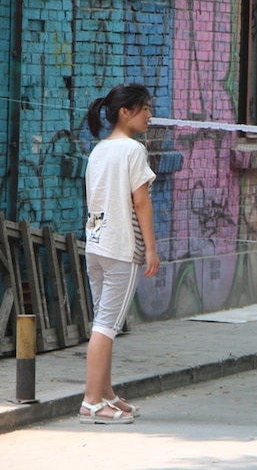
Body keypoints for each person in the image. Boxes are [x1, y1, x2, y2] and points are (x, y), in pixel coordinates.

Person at [80, 84, 159, 424]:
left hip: (95, 247)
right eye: (144, 109)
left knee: (103, 321)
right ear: (125, 113)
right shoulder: (132, 150)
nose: (150, 115)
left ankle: (106, 393)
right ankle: (91, 403)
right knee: (107, 325)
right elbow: (141, 202)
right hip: (121, 248)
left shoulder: (98, 150)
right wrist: (152, 249)